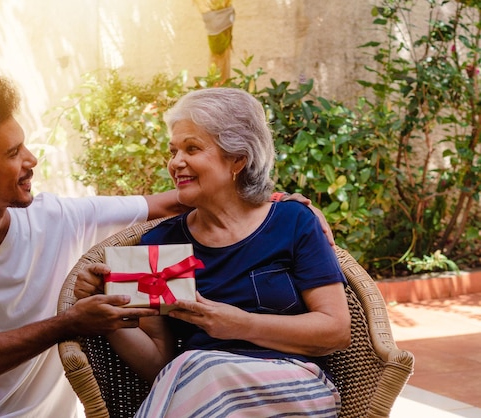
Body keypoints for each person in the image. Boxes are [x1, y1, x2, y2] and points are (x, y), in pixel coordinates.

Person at [0, 73, 184, 417]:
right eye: (14, 153)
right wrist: (69, 323)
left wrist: (253, 197)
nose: (32, 160)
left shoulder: (57, 217)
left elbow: (169, 204)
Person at [75, 87, 351, 417]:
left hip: (294, 388)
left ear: (238, 159)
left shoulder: (292, 222)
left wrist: (240, 325)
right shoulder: (163, 245)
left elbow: (336, 331)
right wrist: (110, 314)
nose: (176, 162)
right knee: (194, 368)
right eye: (173, 150)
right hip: (201, 393)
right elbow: (158, 365)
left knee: (198, 365)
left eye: (192, 148)